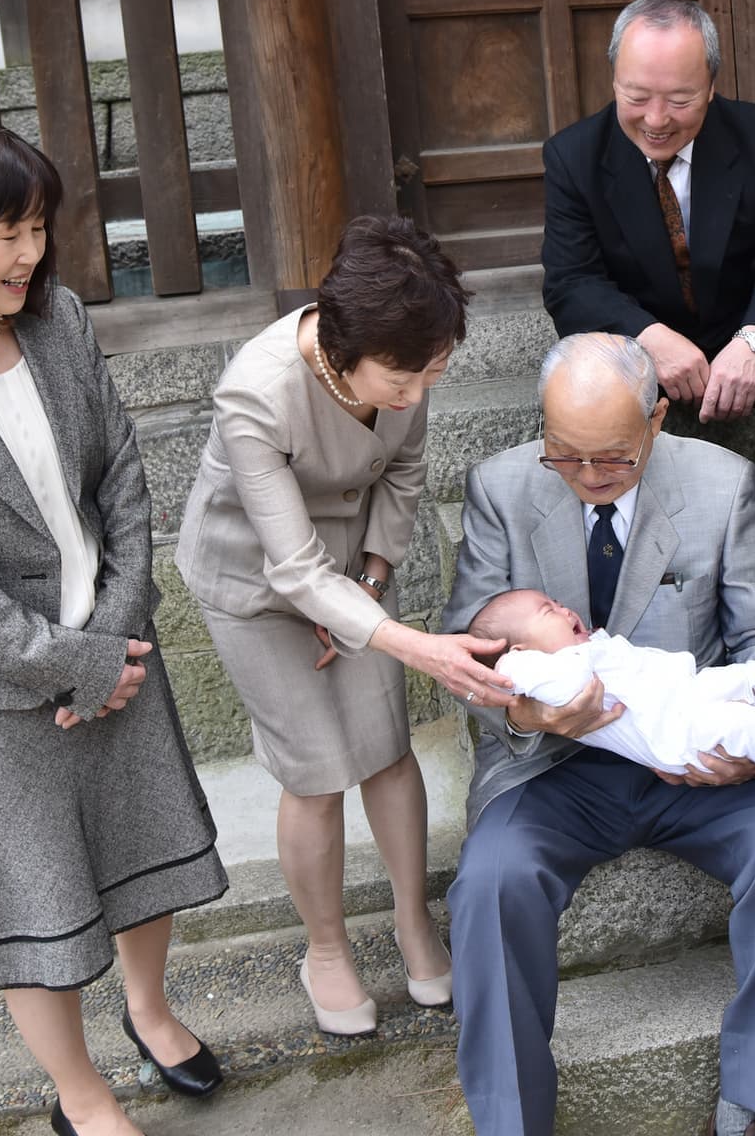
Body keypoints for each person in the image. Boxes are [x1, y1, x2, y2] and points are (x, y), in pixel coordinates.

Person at [442, 332, 755, 1136]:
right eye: (566, 455)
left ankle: (753, 1104)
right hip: (551, 765)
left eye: (613, 459)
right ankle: (512, 1124)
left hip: (692, 754)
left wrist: (747, 733)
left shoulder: (722, 484)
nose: (589, 478)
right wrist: (528, 711)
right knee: (489, 882)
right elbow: (465, 649)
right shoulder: (500, 486)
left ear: (656, 421)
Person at [0, 119, 228, 1136]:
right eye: (6, 231)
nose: (31, 254)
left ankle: (149, 1009)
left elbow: (127, 482)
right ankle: (81, 1094)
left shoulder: (60, 327)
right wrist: (70, 664)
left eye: (38, 227)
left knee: (145, 843)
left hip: (119, 641)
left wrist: (118, 630)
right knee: (35, 895)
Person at [174, 215, 511, 1038]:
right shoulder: (257, 391)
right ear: (342, 345)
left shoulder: (409, 369)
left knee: (386, 747)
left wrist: (371, 583)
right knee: (317, 770)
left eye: (434, 372)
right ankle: (325, 948)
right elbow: (289, 569)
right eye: (403, 376)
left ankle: (411, 920)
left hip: (355, 567)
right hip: (256, 582)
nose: (418, 393)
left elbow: (402, 471)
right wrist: (408, 641)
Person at [540, 0, 755, 485]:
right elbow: (572, 283)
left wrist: (754, 339)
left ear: (712, 87)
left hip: (743, 328)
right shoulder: (573, 156)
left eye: (679, 100)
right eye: (637, 96)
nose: (656, 119)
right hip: (639, 337)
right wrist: (650, 338)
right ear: (614, 80)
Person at [468, 587, 755, 783]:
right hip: (674, 736)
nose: (564, 609)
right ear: (521, 652)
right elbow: (506, 674)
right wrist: (512, 665)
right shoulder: (553, 677)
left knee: (752, 675)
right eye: (548, 611)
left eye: (556, 603)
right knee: (737, 723)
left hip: (687, 693)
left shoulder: (585, 649)